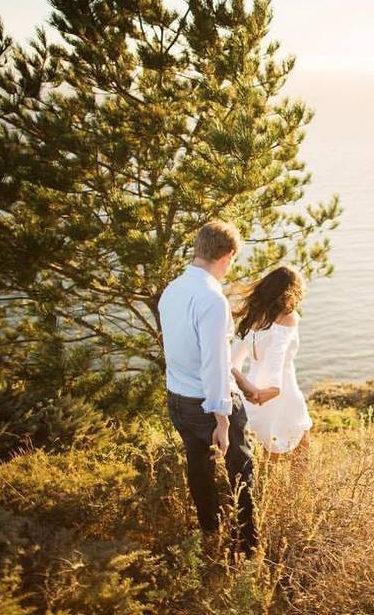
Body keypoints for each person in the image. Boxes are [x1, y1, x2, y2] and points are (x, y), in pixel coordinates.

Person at [157, 220, 256, 555]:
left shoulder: (172, 290)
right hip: (207, 403)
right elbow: (214, 364)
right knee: (241, 472)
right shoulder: (213, 300)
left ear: (199, 248)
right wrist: (223, 418)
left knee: (198, 468)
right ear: (228, 256)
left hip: (177, 399)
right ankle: (246, 547)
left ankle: (210, 534)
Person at [230, 266, 312, 457]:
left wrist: (244, 386)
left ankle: (266, 488)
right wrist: (273, 389)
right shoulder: (288, 317)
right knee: (302, 446)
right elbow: (278, 354)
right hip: (282, 390)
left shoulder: (254, 317)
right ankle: (293, 489)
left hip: (252, 390)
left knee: (266, 451)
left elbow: (232, 362)